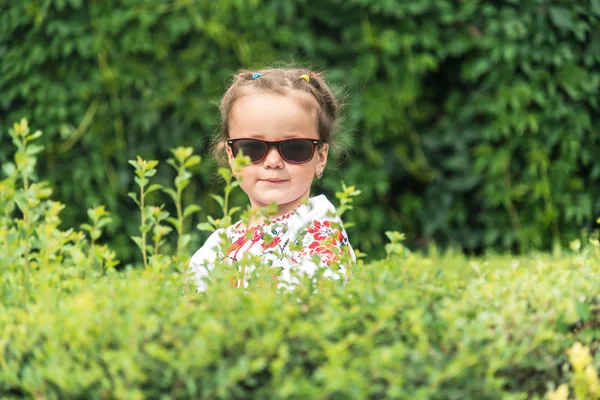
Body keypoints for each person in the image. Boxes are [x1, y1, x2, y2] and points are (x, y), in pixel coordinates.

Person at [188, 67, 355, 292]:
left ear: (321, 157)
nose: (273, 161)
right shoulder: (217, 246)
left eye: (295, 147)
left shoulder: (320, 233)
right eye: (251, 148)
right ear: (232, 157)